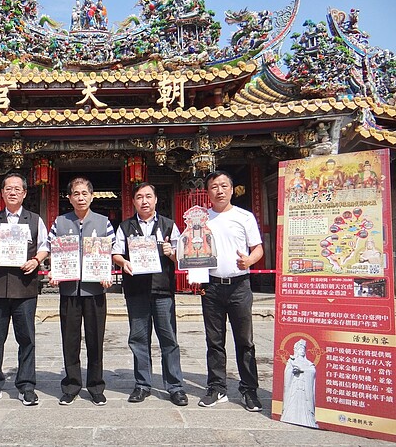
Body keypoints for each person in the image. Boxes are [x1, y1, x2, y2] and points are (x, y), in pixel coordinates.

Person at [0, 173, 49, 407]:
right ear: (2, 193)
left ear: (24, 193)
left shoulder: (35, 219)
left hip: (25, 287)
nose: (13, 192)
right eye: (9, 189)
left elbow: (45, 246)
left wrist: (36, 261)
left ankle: (26, 385)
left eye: (18, 189)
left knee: (26, 338)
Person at [112, 183, 188, 406]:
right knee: (138, 339)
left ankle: (175, 386)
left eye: (148, 196)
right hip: (136, 290)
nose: (144, 201)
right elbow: (116, 252)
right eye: (139, 197)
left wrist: (171, 252)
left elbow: (182, 257)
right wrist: (123, 261)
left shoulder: (169, 225)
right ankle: (142, 384)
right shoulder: (126, 227)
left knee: (169, 339)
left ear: (156, 199)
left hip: (163, 290)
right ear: (134, 201)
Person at [197, 170, 264, 412]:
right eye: (214, 186)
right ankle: (217, 388)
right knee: (214, 341)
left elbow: (258, 248)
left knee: (245, 341)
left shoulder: (244, 216)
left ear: (232, 189)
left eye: (224, 185)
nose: (220, 190)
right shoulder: (201, 219)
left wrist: (249, 261)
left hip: (239, 286)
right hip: (212, 287)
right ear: (208, 192)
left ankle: (249, 390)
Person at [46, 177, 115, 406]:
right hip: (69, 290)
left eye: (85, 193)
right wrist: (53, 271)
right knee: (70, 340)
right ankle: (71, 385)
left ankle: (96, 386)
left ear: (92, 195)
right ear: (70, 197)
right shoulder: (60, 222)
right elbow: (51, 250)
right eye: (76, 193)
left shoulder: (104, 222)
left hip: (95, 290)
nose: (81, 197)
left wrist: (108, 272)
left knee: (95, 340)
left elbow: (111, 252)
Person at [280, 339, 318, 428]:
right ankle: (289, 416)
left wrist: (303, 371)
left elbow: (312, 371)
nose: (302, 351)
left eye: (303, 350)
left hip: (305, 389)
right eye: (300, 349)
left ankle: (308, 419)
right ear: (296, 350)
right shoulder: (292, 361)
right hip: (294, 387)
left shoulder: (308, 363)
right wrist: (292, 371)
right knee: (292, 403)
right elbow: (287, 371)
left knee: (305, 406)